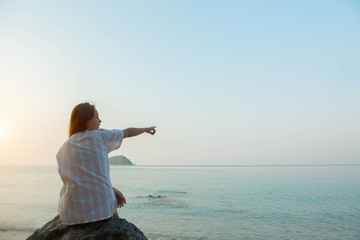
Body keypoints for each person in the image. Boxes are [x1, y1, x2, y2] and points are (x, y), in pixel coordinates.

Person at [56, 102, 156, 225]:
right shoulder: (101, 136)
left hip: (71, 214)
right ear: (85, 120)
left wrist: (112, 189)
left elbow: (80, 180)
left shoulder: (64, 148)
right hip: (102, 211)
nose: (100, 120)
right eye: (96, 117)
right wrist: (146, 129)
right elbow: (128, 132)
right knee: (109, 207)